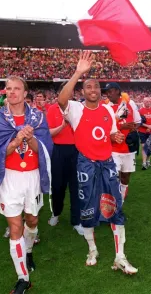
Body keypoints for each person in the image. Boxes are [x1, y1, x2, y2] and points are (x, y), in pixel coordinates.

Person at [58, 51, 137, 274]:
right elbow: (61, 100)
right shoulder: (75, 109)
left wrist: (115, 136)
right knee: (88, 209)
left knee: (115, 206)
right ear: (83, 91)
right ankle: (92, 249)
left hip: (107, 164)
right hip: (86, 164)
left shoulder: (107, 111)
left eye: (96, 87)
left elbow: (110, 133)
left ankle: (120, 256)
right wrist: (78, 72)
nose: (93, 90)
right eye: (89, 87)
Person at [0, 76, 52, 293]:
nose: (11, 92)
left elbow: (47, 150)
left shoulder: (38, 117)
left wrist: (30, 139)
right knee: (15, 227)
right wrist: (15, 140)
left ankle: (28, 249)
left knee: (32, 219)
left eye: (16, 89)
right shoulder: (0, 118)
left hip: (32, 177)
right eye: (8, 88)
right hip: (10, 177)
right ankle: (23, 278)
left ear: (24, 93)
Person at [47, 82, 83, 236]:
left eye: (71, 90)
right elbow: (49, 133)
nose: (68, 93)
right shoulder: (52, 109)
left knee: (76, 186)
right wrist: (63, 125)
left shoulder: (78, 107)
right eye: (64, 90)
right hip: (58, 150)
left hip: (76, 150)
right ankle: (56, 213)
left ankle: (76, 221)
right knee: (57, 186)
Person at [105, 83, 141, 202]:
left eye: (110, 91)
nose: (107, 94)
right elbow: (105, 126)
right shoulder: (105, 106)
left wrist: (133, 128)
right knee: (114, 177)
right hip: (113, 149)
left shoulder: (129, 104)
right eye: (107, 92)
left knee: (125, 176)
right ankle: (115, 202)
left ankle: (121, 198)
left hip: (128, 148)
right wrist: (121, 126)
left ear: (117, 91)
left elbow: (137, 121)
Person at [138, 97, 151, 170]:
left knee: (149, 146)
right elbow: (139, 121)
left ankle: (148, 160)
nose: (147, 102)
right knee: (144, 146)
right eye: (146, 101)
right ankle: (144, 163)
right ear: (143, 102)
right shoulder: (140, 111)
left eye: (149, 101)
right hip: (142, 131)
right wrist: (148, 126)